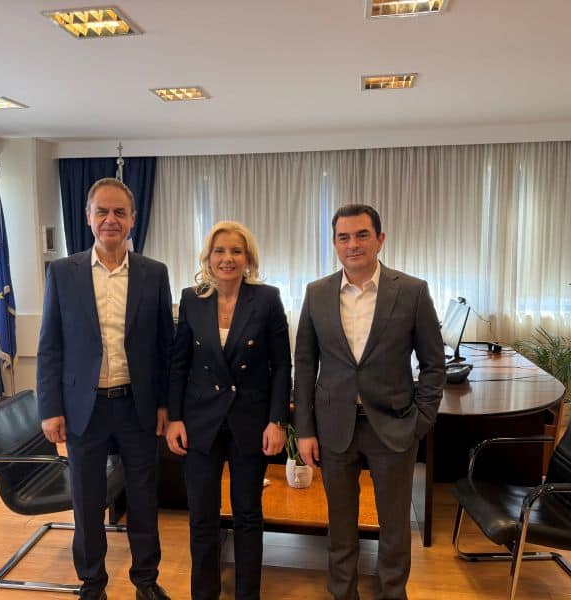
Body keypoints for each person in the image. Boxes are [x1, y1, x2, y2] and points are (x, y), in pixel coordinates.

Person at [294, 204, 445, 600]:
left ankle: (392, 593)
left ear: (380, 239)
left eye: (362, 235)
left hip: (394, 426)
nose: (353, 244)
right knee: (340, 526)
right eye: (343, 237)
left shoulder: (411, 291)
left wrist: (422, 420)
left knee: (394, 528)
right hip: (334, 427)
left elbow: (434, 364)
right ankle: (342, 593)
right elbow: (305, 365)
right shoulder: (316, 293)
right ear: (334, 243)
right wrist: (305, 430)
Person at [37, 177, 173, 600]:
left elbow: (165, 346)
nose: (110, 219)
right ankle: (92, 582)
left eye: (119, 212)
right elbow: (50, 345)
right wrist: (50, 409)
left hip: (137, 406)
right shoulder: (63, 272)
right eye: (102, 211)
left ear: (133, 219)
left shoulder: (154, 273)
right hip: (84, 408)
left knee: (143, 498)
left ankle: (145, 580)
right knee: (87, 500)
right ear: (88, 217)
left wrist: (165, 403)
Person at [166, 220, 291, 600]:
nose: (227, 258)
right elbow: (179, 364)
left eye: (236, 251)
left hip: (249, 420)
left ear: (248, 258)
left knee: (247, 515)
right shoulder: (191, 299)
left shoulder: (267, 299)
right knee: (202, 516)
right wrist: (174, 418)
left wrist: (277, 421)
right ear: (208, 257)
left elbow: (281, 366)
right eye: (219, 251)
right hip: (200, 420)